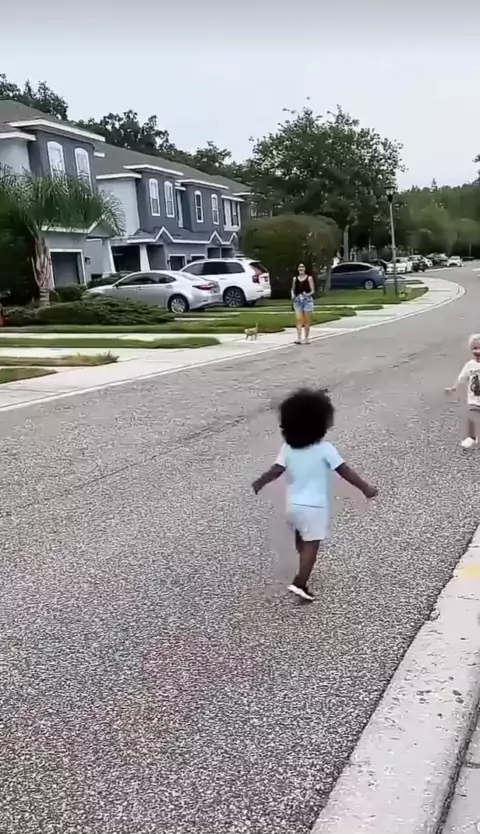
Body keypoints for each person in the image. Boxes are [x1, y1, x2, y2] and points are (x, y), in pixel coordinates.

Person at [252, 388, 378, 601]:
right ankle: (300, 583)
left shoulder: (287, 448)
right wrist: (366, 489)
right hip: (315, 507)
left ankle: (302, 560)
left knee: (302, 535)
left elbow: (276, 470)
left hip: (293, 505)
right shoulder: (325, 449)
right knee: (313, 543)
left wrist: (260, 481)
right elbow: (345, 472)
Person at [445, 333, 480, 449]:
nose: (477, 351)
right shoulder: (469, 365)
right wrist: (453, 388)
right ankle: (471, 437)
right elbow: (462, 378)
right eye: (475, 348)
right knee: (471, 416)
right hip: (474, 399)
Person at [291, 264, 315, 345]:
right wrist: (292, 295)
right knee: (298, 319)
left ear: (305, 269)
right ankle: (299, 338)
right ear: (298, 269)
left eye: (302, 267)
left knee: (306, 320)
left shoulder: (309, 278)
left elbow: (312, 291)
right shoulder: (295, 278)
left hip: (307, 301)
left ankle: (306, 338)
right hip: (298, 301)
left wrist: (307, 294)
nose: (301, 268)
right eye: (300, 267)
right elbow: (293, 289)